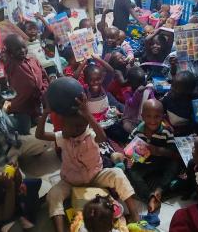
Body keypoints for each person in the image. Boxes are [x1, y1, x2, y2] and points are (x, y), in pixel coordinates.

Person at [35, 78, 139, 232]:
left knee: (117, 174)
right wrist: (45, 113)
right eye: (71, 126)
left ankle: (135, 215)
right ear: (64, 126)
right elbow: (40, 135)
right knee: (53, 194)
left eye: (81, 126)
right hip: (70, 182)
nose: (76, 130)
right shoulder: (63, 137)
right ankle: (60, 229)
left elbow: (102, 137)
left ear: (86, 125)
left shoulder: (90, 134)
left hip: (96, 177)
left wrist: (87, 114)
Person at [127, 99, 179, 203]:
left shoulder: (166, 131)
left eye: (157, 116)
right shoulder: (137, 132)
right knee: (131, 170)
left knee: (175, 164)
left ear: (162, 116)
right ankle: (149, 195)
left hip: (162, 161)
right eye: (148, 116)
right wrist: (130, 158)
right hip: (145, 163)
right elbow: (129, 147)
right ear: (142, 116)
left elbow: (173, 153)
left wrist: (158, 151)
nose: (152, 120)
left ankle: (160, 189)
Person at [3, 34, 49, 134]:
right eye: (17, 49)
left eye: (24, 47)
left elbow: (44, 75)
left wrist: (44, 88)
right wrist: (5, 54)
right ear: (10, 52)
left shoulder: (33, 60)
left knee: (39, 125)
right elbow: (4, 62)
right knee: (24, 130)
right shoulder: (12, 65)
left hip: (37, 101)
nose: (22, 51)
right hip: (22, 106)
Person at [83, 63, 127, 143]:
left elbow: (111, 71)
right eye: (91, 79)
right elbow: (74, 80)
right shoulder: (85, 92)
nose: (95, 82)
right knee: (97, 141)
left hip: (107, 119)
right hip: (94, 124)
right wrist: (82, 63)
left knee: (122, 136)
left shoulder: (104, 86)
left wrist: (97, 58)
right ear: (85, 80)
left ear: (102, 78)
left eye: (98, 79)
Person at [122, 66, 154, 133]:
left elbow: (152, 101)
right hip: (130, 119)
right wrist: (138, 92)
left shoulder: (147, 91)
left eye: (142, 82)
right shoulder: (127, 92)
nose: (141, 85)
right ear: (130, 83)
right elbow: (132, 104)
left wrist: (151, 94)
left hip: (143, 118)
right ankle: (136, 134)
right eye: (138, 83)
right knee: (126, 126)